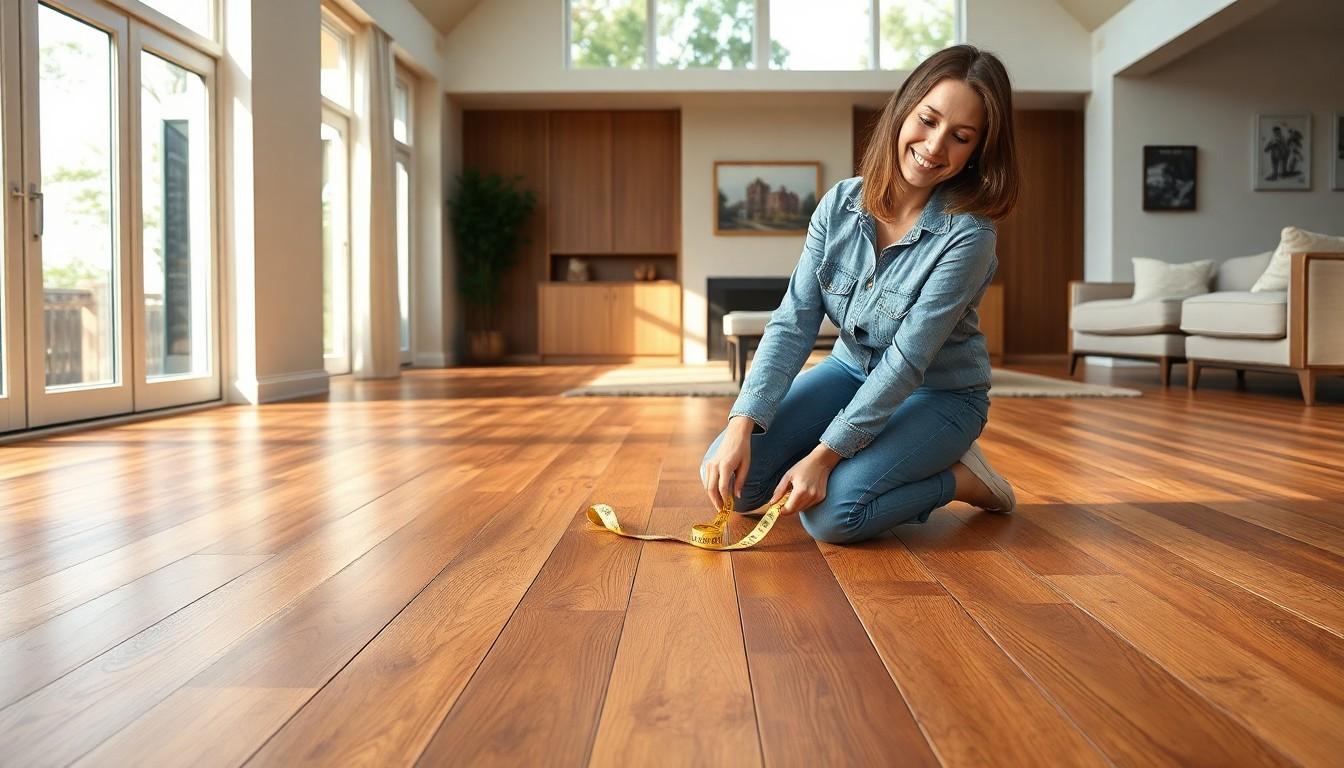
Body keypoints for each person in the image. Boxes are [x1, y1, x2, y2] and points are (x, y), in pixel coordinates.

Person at [699, 44, 1020, 545]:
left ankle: (961, 478)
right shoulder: (840, 203)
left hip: (938, 394)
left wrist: (823, 457)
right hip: (848, 370)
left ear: (977, 151)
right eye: (928, 120)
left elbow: (907, 363)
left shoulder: (969, 237)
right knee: (732, 483)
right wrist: (742, 423)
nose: (935, 147)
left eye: (960, 137)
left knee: (832, 516)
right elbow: (794, 321)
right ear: (902, 112)